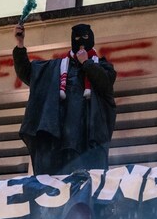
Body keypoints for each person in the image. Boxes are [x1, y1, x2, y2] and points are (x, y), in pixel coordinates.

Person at [13, 23, 116, 175]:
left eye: (85, 37)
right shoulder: (56, 67)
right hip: (58, 139)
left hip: (85, 138)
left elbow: (105, 84)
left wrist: (86, 63)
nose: (80, 41)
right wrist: (20, 44)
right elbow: (29, 74)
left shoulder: (102, 67)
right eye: (76, 38)